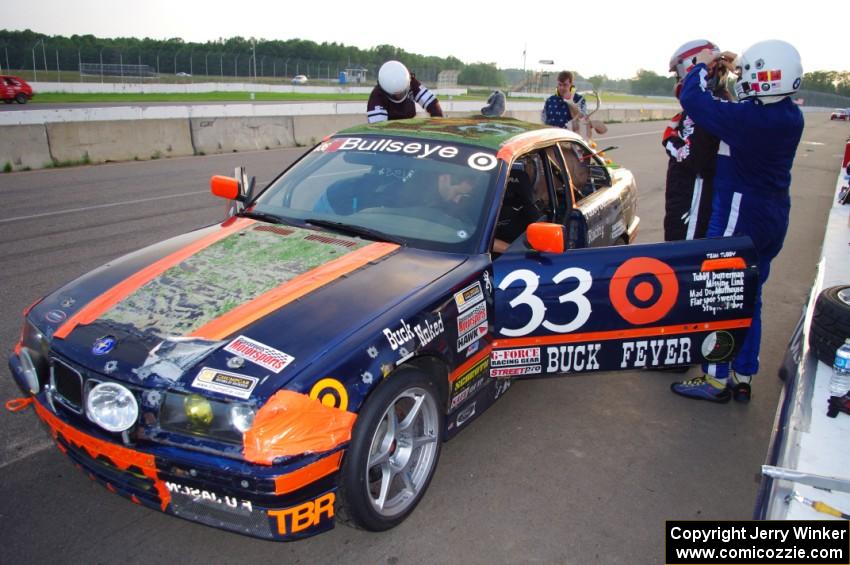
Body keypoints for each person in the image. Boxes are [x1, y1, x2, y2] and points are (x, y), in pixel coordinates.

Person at [670, 40, 805, 403]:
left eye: (749, 71)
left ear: (765, 76)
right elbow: (734, 107)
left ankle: (715, 379)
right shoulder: (788, 114)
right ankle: (743, 373)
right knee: (751, 296)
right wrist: (730, 74)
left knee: (720, 295)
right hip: (773, 215)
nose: (743, 76)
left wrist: (702, 65)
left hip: (740, 213)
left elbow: (694, 101)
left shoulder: (750, 119)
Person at [662, 40, 730, 242]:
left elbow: (693, 159)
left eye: (680, 72)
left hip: (695, 195)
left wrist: (670, 141)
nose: (679, 79)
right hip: (687, 193)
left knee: (682, 254)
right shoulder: (704, 103)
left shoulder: (712, 103)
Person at [367, 60, 443, 123]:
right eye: (395, 95)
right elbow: (378, 129)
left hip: (409, 127)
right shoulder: (376, 97)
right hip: (389, 131)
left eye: (402, 92)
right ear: (385, 91)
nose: (399, 96)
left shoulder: (411, 82)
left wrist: (438, 124)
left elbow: (433, 104)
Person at [542, 71, 607, 139]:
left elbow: (582, 120)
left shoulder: (579, 100)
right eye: (560, 85)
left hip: (571, 139)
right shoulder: (550, 100)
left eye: (565, 85)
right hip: (552, 139)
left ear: (571, 84)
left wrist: (570, 103)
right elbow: (544, 120)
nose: (561, 88)